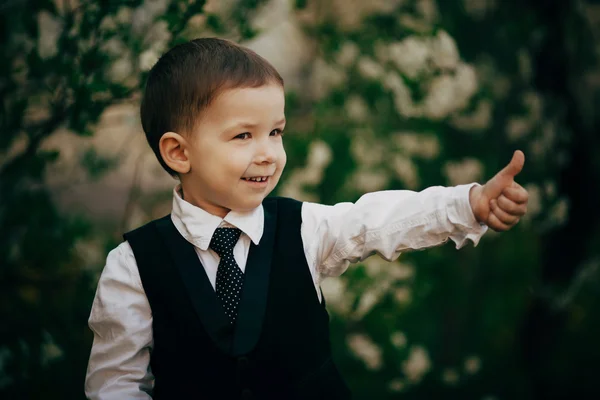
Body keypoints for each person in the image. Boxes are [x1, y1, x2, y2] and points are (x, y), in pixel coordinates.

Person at [84, 38, 529, 399]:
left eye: (275, 132)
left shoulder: (302, 228)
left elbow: (375, 220)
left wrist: (466, 204)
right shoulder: (133, 266)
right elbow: (116, 385)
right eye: (243, 135)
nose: (268, 153)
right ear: (179, 152)